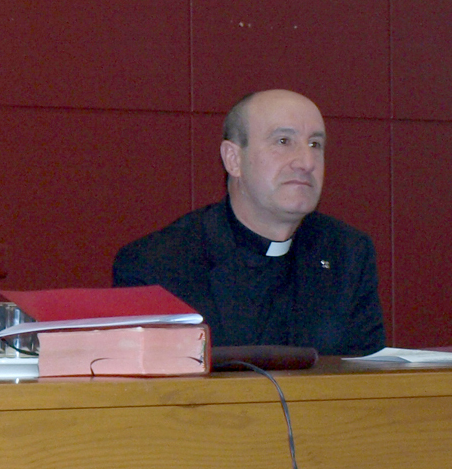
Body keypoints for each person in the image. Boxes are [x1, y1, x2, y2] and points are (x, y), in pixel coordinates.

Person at [112, 89, 384, 355]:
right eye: (283, 141)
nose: (306, 162)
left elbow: (369, 375)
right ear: (234, 159)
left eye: (315, 145)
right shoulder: (158, 266)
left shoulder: (347, 253)